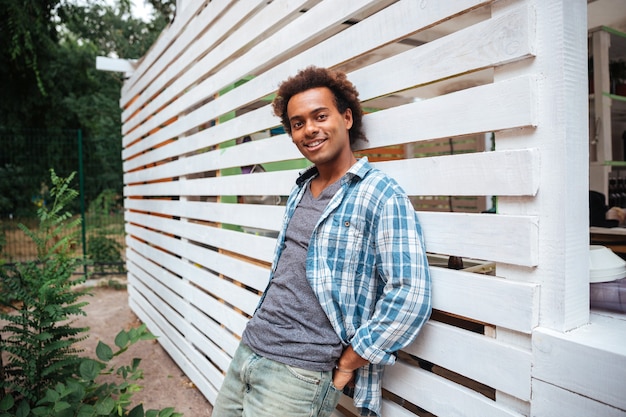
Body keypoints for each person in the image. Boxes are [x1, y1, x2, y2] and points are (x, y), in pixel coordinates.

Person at [212, 66, 432, 417]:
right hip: (249, 350)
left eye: (319, 116)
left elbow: (411, 294)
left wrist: (349, 362)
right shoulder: (301, 189)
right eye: (297, 123)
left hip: (299, 374)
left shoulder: (380, 194)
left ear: (346, 118)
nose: (309, 129)